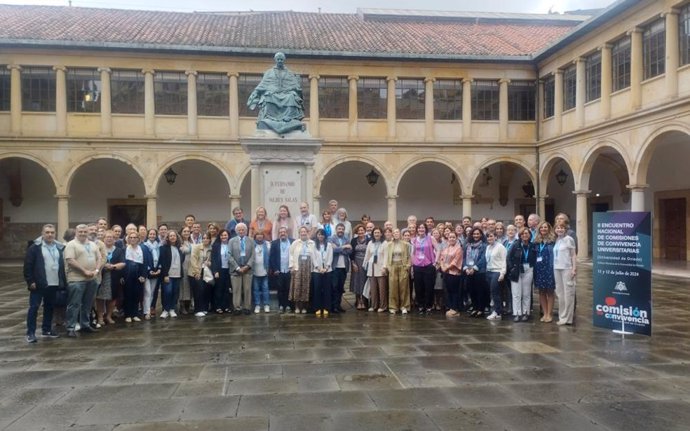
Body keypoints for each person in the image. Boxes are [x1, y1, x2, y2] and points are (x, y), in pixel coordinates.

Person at [23, 224, 66, 342]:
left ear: (55, 233)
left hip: (54, 282)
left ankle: (46, 330)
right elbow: (28, 266)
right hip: (38, 283)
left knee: (49, 307)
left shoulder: (59, 247)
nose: (50, 234)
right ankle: (30, 333)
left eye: (52, 232)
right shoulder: (35, 247)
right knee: (34, 307)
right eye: (47, 232)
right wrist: (30, 281)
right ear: (42, 233)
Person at [247, 51, 305, 134]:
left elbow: (296, 86)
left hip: (286, 93)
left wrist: (293, 89)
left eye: (281, 59)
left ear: (284, 60)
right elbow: (263, 84)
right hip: (273, 93)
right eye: (278, 59)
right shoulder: (269, 72)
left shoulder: (290, 73)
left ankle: (289, 117)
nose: (280, 61)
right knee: (268, 96)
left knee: (292, 96)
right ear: (275, 60)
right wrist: (255, 93)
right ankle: (269, 118)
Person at [64, 224, 102, 337]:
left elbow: (99, 258)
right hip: (77, 279)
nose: (83, 233)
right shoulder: (71, 245)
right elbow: (70, 260)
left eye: (85, 231)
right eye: (80, 231)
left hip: (92, 278)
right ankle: (70, 327)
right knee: (74, 304)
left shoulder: (92, 244)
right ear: (76, 232)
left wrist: (96, 270)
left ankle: (85, 324)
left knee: (88, 304)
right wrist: (84, 271)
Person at [95, 230, 125, 326]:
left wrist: (113, 266)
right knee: (100, 297)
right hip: (101, 276)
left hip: (114, 277)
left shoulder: (119, 250)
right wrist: (103, 266)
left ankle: (108, 316)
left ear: (114, 239)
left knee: (112, 298)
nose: (109, 238)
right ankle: (100, 317)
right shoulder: (98, 249)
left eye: (111, 237)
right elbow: (94, 261)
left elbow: (123, 263)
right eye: (107, 237)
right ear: (103, 239)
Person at [507, 227, 536, 322]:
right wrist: (512, 268)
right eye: (523, 234)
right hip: (517, 270)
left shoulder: (533, 245)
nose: (525, 235)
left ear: (530, 235)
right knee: (516, 293)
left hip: (529, 270)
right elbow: (508, 257)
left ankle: (526, 312)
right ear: (520, 235)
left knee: (526, 293)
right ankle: (517, 313)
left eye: (527, 233)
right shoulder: (516, 245)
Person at [553, 222, 577, 326]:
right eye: (557, 228)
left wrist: (574, 269)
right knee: (560, 294)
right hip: (556, 268)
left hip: (567, 269)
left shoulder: (569, 239)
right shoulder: (557, 240)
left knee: (568, 294)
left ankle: (568, 318)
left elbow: (573, 255)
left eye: (561, 228)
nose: (559, 230)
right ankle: (562, 316)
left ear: (565, 229)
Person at [229, 223, 255, 315]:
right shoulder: (232, 241)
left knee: (247, 289)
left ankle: (247, 307)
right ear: (236, 231)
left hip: (248, 269)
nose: (241, 231)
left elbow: (253, 255)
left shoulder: (251, 241)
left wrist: (247, 266)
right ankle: (237, 308)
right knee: (236, 289)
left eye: (243, 229)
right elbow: (229, 255)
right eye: (239, 230)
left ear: (246, 231)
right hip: (236, 270)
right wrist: (237, 267)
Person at [384, 228, 411, 314]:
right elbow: (387, 257)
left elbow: (410, 256)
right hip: (393, 266)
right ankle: (393, 307)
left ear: (400, 234)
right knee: (393, 287)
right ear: (392, 234)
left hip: (403, 266)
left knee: (404, 287)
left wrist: (408, 266)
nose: (396, 234)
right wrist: (388, 267)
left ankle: (404, 306)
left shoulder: (406, 244)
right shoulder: (389, 244)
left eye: (397, 232)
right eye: (394, 233)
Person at [122, 231, 148, 323]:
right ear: (128, 239)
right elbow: (122, 264)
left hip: (138, 274)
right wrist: (122, 276)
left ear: (138, 239)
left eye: (135, 237)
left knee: (137, 294)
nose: (133, 239)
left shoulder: (142, 249)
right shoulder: (124, 249)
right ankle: (128, 315)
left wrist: (143, 275)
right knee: (128, 295)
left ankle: (135, 314)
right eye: (131, 237)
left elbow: (145, 264)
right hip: (127, 275)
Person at [534, 221, 557, 323]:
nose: (543, 229)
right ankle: (544, 313)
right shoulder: (536, 241)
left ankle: (549, 314)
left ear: (549, 229)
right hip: (539, 269)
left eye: (545, 227)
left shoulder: (553, 241)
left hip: (550, 268)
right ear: (539, 229)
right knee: (542, 292)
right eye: (541, 227)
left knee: (550, 292)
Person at [411, 223, 436, 314]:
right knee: (418, 287)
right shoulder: (413, 240)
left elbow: (438, 249)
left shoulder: (430, 238)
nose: (421, 229)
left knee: (429, 287)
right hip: (417, 265)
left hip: (428, 265)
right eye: (419, 228)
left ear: (425, 229)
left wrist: (435, 262)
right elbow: (412, 253)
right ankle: (421, 305)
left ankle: (429, 306)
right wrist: (413, 263)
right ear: (417, 229)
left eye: (423, 228)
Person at [463, 227, 488, 318]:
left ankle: (481, 309)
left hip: (480, 271)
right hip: (468, 271)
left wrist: (474, 268)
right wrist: (466, 268)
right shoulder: (468, 245)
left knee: (480, 291)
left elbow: (483, 258)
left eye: (478, 234)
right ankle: (475, 308)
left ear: (481, 235)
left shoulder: (484, 246)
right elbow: (464, 257)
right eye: (474, 234)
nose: (476, 235)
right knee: (471, 291)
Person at [289, 226, 315, 314]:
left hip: (308, 267)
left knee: (306, 287)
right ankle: (297, 306)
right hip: (297, 267)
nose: (303, 233)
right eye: (301, 232)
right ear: (299, 233)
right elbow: (291, 254)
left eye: (305, 232)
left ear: (308, 233)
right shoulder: (295, 243)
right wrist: (291, 266)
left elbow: (315, 255)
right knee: (297, 287)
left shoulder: (312, 243)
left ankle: (304, 307)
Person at [159, 230, 184, 318]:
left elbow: (182, 260)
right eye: (171, 236)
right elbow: (163, 262)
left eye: (174, 236)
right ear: (168, 238)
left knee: (175, 292)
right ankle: (165, 310)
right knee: (167, 292)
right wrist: (165, 274)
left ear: (177, 238)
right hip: (168, 274)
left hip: (177, 274)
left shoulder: (179, 248)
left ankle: (172, 309)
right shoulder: (163, 248)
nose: (173, 237)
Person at [438, 231, 463, 317]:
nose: (451, 239)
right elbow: (441, 258)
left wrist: (447, 268)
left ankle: (455, 308)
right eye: (450, 237)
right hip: (446, 272)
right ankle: (451, 307)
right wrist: (442, 266)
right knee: (448, 291)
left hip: (454, 273)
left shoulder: (459, 248)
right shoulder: (446, 248)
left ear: (456, 238)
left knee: (454, 291)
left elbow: (456, 261)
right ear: (448, 239)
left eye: (453, 237)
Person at [329, 223, 352, 313]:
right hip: (335, 267)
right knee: (334, 287)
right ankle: (333, 306)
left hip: (344, 267)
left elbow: (350, 251)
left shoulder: (346, 239)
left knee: (340, 288)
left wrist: (339, 248)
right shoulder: (331, 238)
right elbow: (332, 250)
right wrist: (344, 247)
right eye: (339, 229)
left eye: (342, 229)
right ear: (336, 229)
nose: (341, 230)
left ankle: (338, 305)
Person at [269, 226, 293, 313]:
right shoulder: (274, 243)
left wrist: (293, 267)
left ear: (287, 233)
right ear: (279, 234)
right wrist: (275, 269)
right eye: (281, 232)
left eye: (284, 232)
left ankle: (288, 306)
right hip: (279, 270)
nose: (282, 233)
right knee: (280, 289)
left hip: (289, 269)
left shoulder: (292, 241)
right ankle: (281, 305)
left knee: (288, 288)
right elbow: (272, 257)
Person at [363, 227, 387, 312]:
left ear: (381, 234)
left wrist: (384, 267)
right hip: (371, 268)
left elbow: (386, 256)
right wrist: (365, 265)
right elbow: (367, 255)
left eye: (378, 232)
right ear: (373, 234)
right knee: (372, 289)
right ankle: (373, 305)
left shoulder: (384, 243)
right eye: (375, 233)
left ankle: (383, 306)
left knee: (382, 289)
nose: (376, 234)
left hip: (380, 268)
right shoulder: (370, 243)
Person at [189, 233, 213, 317]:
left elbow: (213, 260)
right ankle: (198, 309)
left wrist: (210, 263)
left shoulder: (211, 248)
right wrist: (196, 272)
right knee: (199, 290)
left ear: (210, 239)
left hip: (206, 272)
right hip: (196, 272)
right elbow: (193, 260)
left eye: (207, 238)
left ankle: (204, 308)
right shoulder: (197, 247)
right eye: (203, 238)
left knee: (206, 290)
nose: (205, 240)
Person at [484, 231, 507, 321]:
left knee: (495, 292)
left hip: (497, 271)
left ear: (495, 237)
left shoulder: (500, 247)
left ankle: (497, 312)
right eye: (488, 237)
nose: (489, 238)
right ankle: (497, 309)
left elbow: (503, 260)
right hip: (489, 271)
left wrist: (502, 273)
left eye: (491, 236)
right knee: (492, 292)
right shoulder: (488, 247)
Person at [311, 228, 333, 317]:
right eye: (319, 234)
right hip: (317, 271)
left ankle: (326, 308)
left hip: (327, 271)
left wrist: (326, 267)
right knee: (317, 290)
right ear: (317, 236)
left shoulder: (329, 245)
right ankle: (317, 308)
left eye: (322, 235)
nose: (321, 236)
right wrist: (319, 268)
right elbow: (313, 258)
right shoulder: (314, 245)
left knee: (327, 290)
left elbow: (330, 257)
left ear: (325, 236)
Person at [142, 228, 161, 319]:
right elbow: (144, 260)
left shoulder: (158, 246)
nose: (152, 236)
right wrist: (149, 270)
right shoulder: (144, 246)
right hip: (147, 272)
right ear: (148, 235)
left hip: (156, 272)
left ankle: (149, 308)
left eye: (154, 234)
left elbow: (161, 258)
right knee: (147, 292)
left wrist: (159, 269)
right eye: (150, 234)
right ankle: (146, 312)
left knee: (153, 292)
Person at [211, 229, 232, 313]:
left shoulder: (231, 245)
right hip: (219, 270)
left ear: (228, 236)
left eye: (225, 235)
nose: (224, 237)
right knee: (219, 289)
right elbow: (214, 259)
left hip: (229, 270)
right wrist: (215, 271)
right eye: (222, 235)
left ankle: (226, 306)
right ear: (219, 236)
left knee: (227, 289)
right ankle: (218, 306)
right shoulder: (216, 246)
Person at [349, 224, 369, 310]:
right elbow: (351, 253)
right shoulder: (353, 240)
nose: (360, 232)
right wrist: (353, 263)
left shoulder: (369, 240)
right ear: (357, 232)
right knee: (357, 281)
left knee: (365, 282)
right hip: (356, 263)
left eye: (362, 230)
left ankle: (364, 301)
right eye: (359, 231)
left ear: (365, 231)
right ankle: (358, 301)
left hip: (366, 263)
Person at [252, 231, 271, 313]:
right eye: (257, 235)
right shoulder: (252, 244)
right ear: (255, 236)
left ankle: (266, 305)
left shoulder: (267, 244)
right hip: (254, 270)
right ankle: (257, 305)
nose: (259, 236)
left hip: (264, 269)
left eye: (261, 235)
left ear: (263, 236)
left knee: (265, 288)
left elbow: (270, 256)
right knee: (256, 289)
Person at [178, 226, 193, 314]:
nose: (186, 233)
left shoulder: (191, 242)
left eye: (188, 231)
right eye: (184, 231)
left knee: (189, 286)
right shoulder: (179, 243)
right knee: (183, 286)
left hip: (191, 266)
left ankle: (189, 304)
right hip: (183, 266)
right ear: (181, 233)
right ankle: (182, 305)